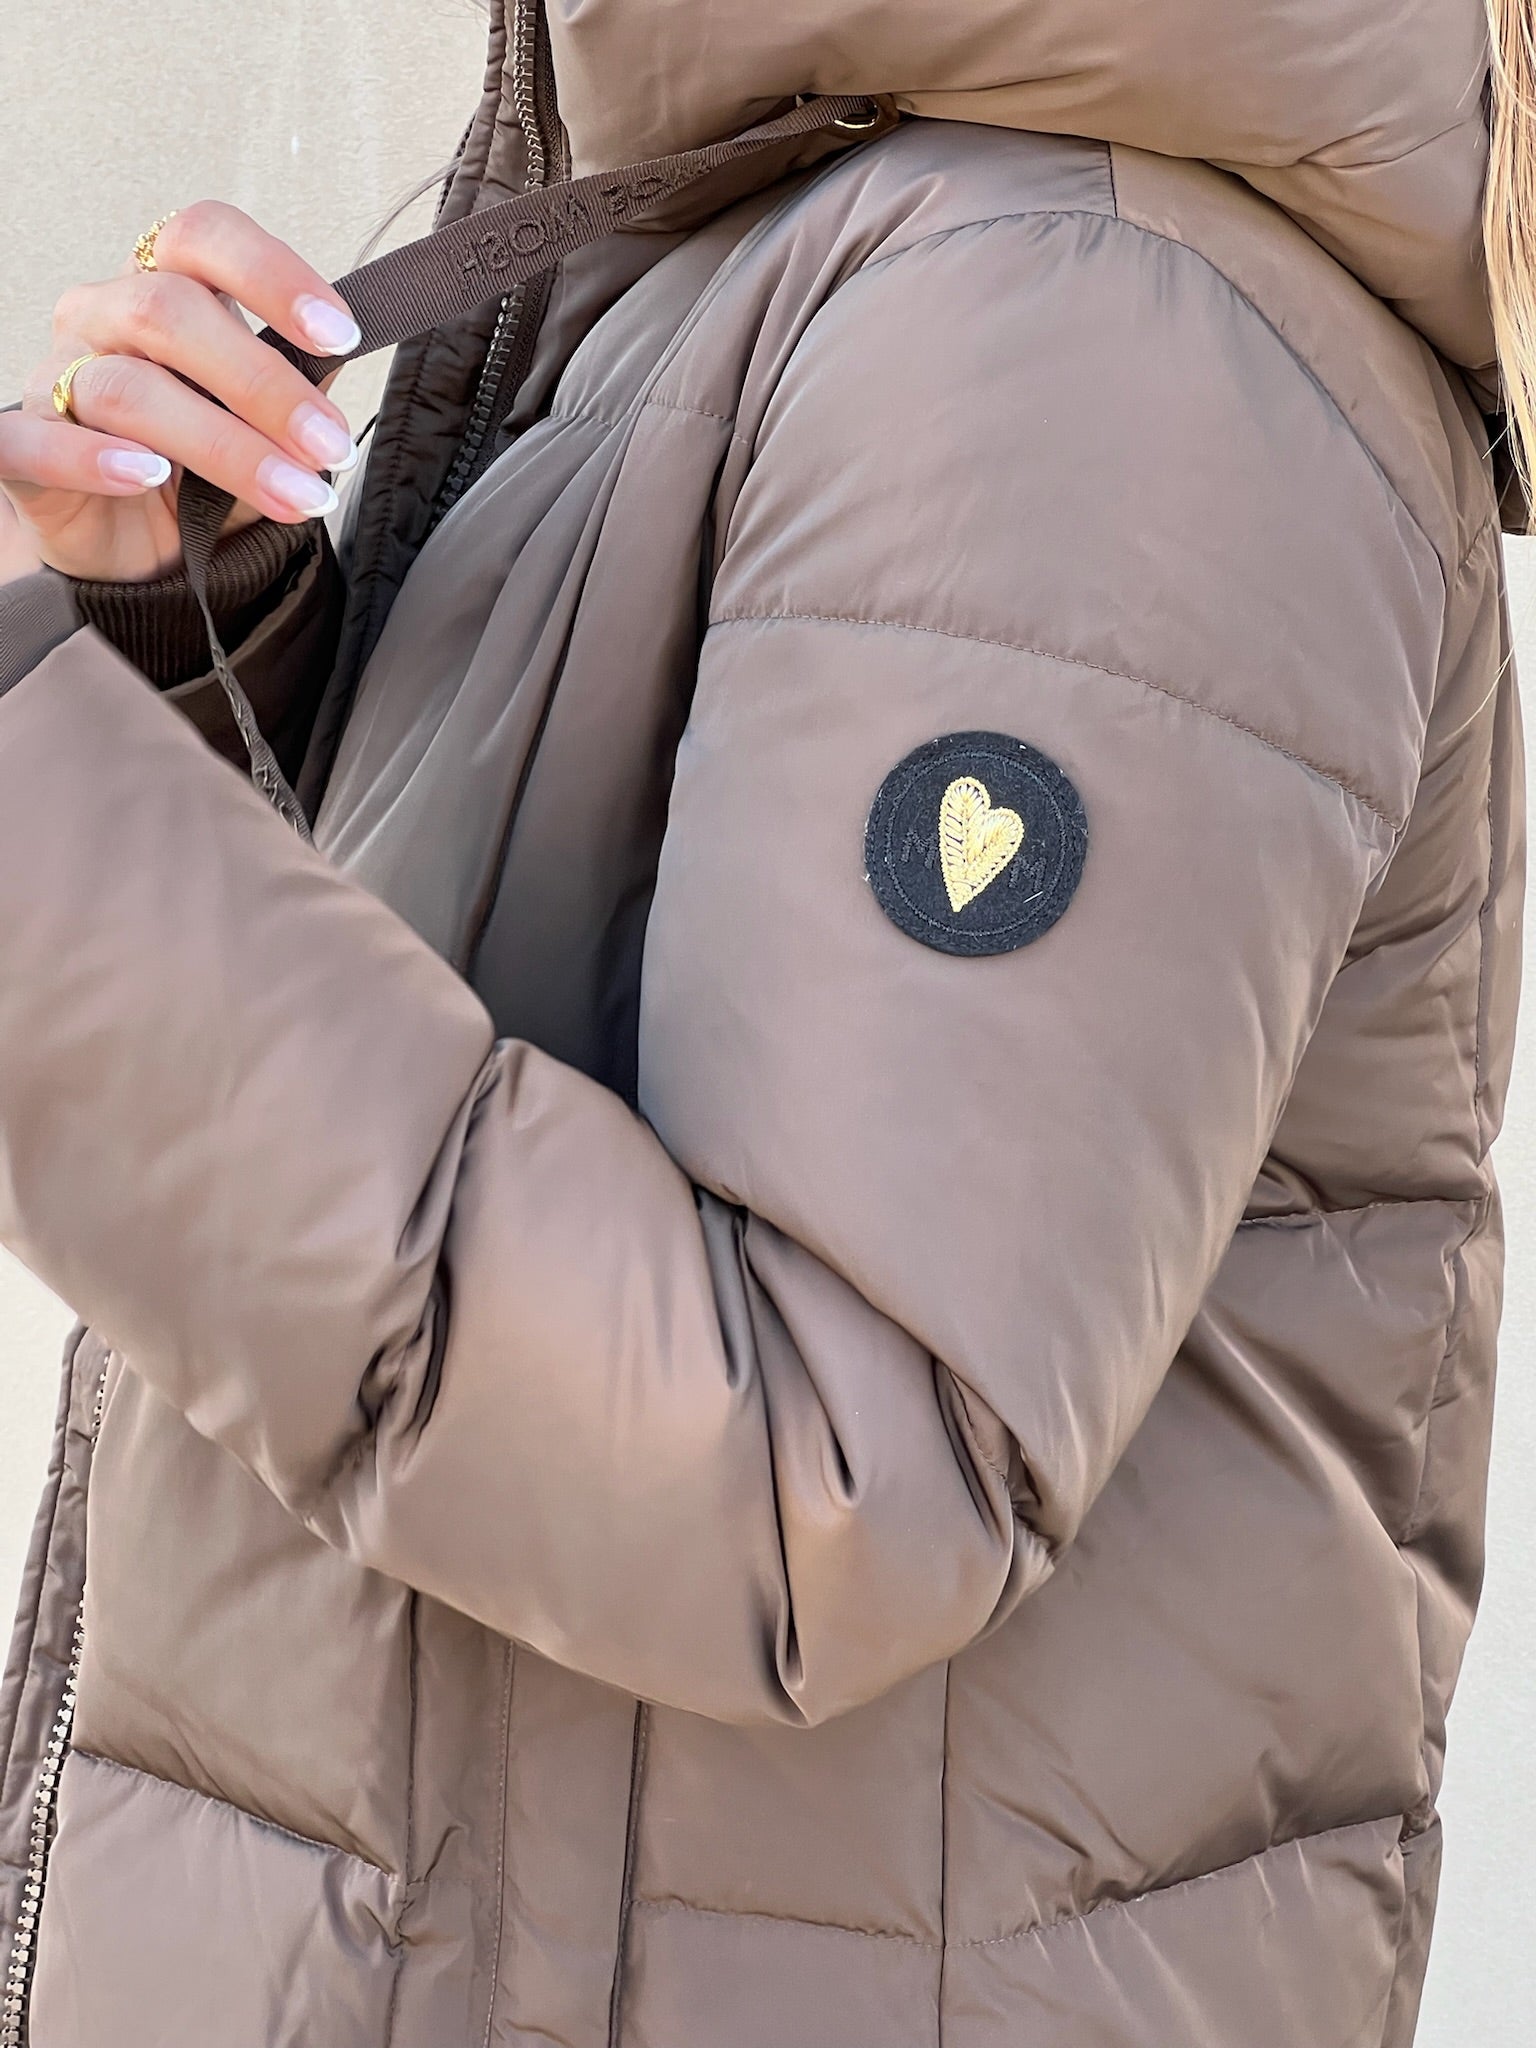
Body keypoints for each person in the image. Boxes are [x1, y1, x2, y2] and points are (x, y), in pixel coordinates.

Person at [0, 3, 1526, 2043]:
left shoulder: (1093, 327)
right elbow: (550, 1073)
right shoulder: (782, 235)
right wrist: (210, 658)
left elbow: (822, 1482)